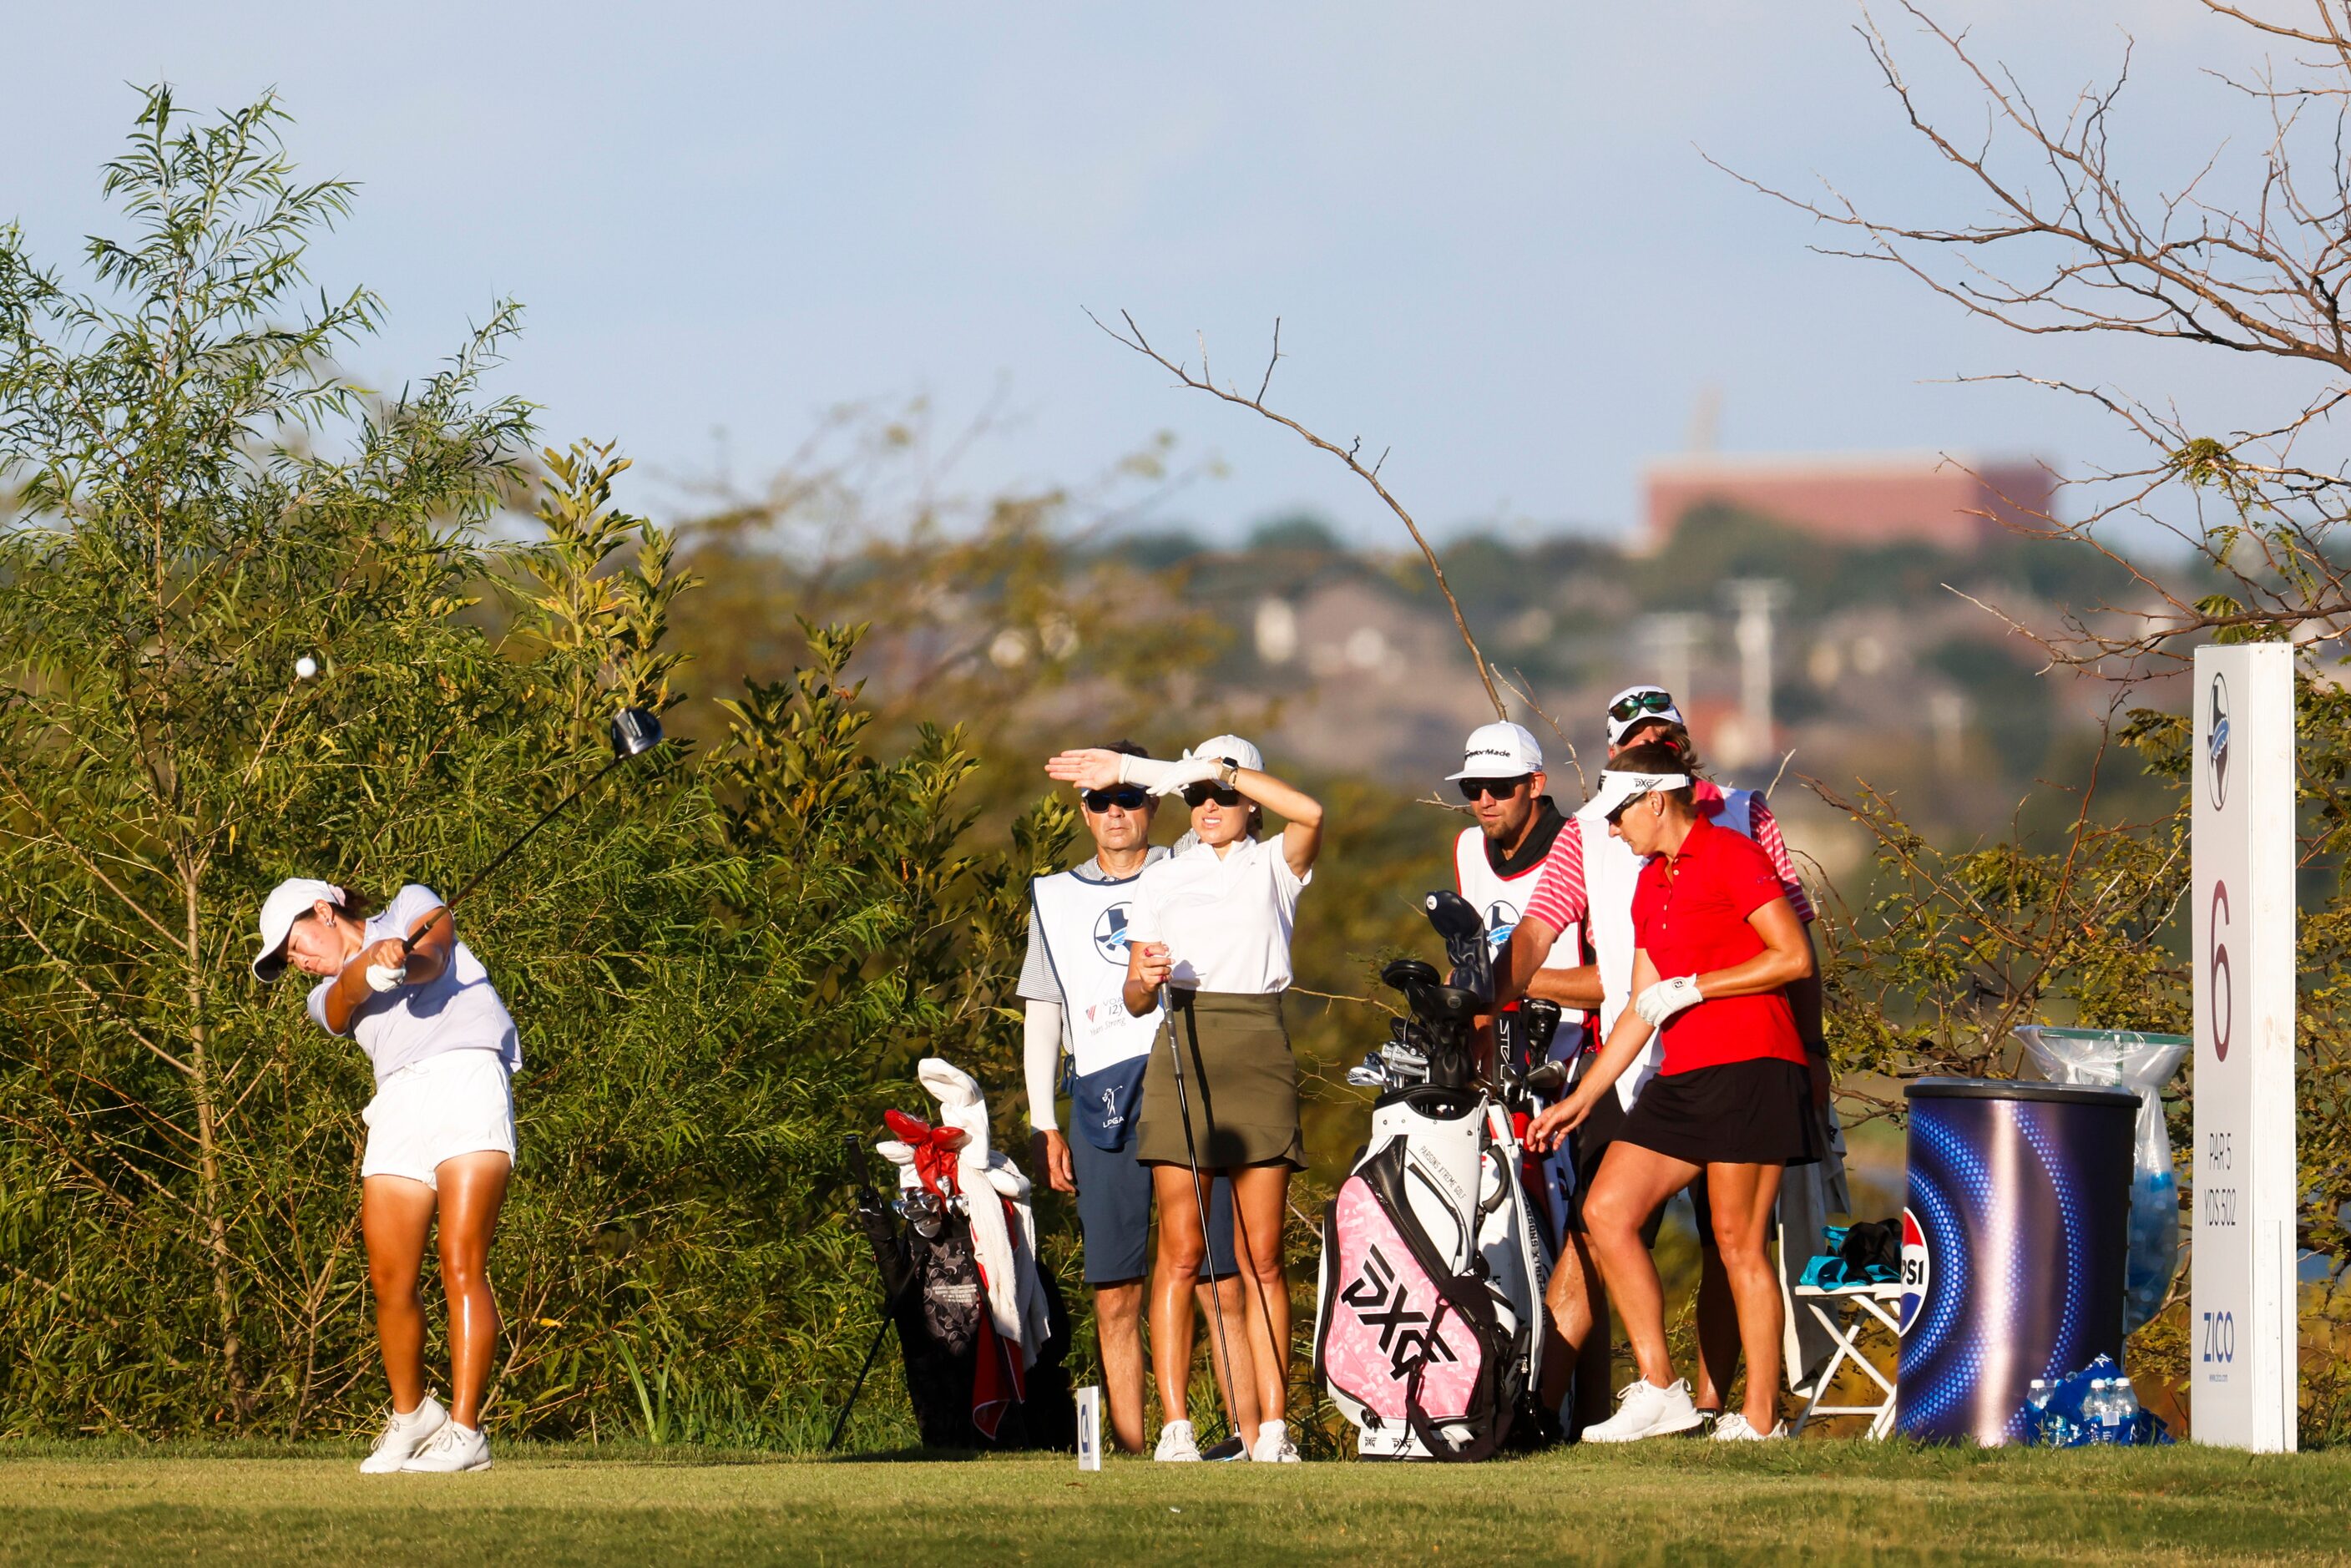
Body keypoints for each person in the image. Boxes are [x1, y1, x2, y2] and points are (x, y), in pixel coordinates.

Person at [1496, 685, 1833, 1432]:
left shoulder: (1735, 847)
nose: (1610, 829)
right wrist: (1583, 1098)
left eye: (1620, 814)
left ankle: (1756, 1418)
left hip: (1752, 1062)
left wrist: (1705, 990)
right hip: (1679, 1075)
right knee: (1605, 1211)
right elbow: (1642, 1006)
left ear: (1655, 800)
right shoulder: (1651, 878)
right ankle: (1661, 1386)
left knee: (1738, 1244)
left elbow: (1793, 956)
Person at [1044, 734, 1323, 1464]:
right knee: (1181, 1252)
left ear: (1247, 797)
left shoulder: (1274, 864)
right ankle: (1176, 1429)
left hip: (1257, 1048)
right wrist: (1145, 979)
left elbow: (1311, 812)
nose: (1208, 806)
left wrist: (1211, 771)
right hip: (1181, 1043)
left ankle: (1273, 1429)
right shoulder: (1165, 878)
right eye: (1197, 796)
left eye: (1222, 795)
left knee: (1260, 1257)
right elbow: (1136, 998)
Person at [252, 878, 520, 1473]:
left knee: (460, 1260)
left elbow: (436, 954)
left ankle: (466, 1432)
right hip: (398, 1101)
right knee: (389, 1277)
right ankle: (411, 1416)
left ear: (323, 910)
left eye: (294, 944)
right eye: (287, 959)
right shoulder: (320, 997)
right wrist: (370, 969)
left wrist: (402, 959)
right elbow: (346, 995)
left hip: (467, 1075)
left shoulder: (408, 904)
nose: (296, 961)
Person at [1440, 721, 1605, 1419]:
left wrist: (1526, 986)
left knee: (1589, 1244)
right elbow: (1477, 967)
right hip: (1501, 1081)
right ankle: (1514, 1402)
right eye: (1472, 788)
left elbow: (1614, 980)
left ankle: (1589, 1416)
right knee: (1509, 1244)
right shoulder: (1467, 850)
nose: (1483, 800)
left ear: (1535, 786)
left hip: (1583, 1072)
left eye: (1499, 787)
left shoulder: (1585, 849)